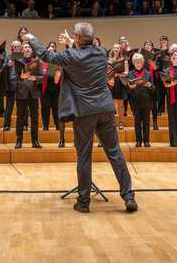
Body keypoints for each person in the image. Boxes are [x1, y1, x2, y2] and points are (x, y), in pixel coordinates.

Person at [24, 23, 137, 214]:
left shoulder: (71, 56)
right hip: (105, 109)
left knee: (84, 156)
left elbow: (47, 55)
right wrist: (72, 41)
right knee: (115, 153)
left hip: (84, 112)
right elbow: (83, 52)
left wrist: (32, 39)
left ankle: (84, 202)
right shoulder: (101, 52)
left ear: (77, 38)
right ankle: (128, 196)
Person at [14, 43, 42, 149]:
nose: (27, 49)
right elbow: (13, 77)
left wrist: (36, 78)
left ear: (32, 49)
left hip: (34, 93)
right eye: (25, 47)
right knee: (20, 118)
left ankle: (35, 141)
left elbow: (43, 77)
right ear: (22, 50)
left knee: (34, 119)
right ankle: (19, 141)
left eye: (29, 47)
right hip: (21, 93)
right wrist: (20, 77)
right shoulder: (17, 62)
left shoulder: (37, 62)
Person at [127, 53, 154, 147]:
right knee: (137, 122)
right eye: (136, 62)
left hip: (146, 101)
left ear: (142, 63)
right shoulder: (130, 74)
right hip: (135, 102)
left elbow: (153, 89)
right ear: (133, 63)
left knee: (146, 122)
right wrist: (130, 88)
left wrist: (150, 86)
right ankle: (138, 141)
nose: (138, 64)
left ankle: (146, 141)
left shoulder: (148, 74)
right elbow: (127, 89)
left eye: (139, 62)